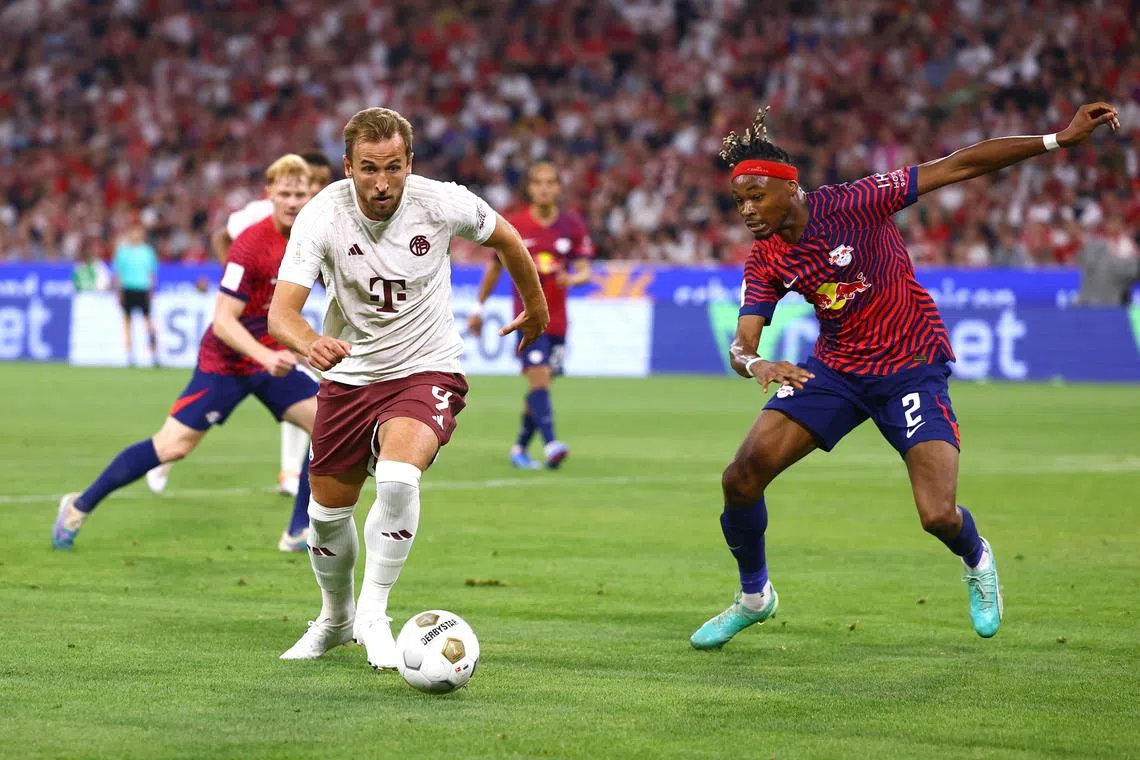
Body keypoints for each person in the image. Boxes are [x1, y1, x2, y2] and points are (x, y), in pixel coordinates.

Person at [690, 102, 1121, 650]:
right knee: (740, 478)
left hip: (910, 366)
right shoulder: (766, 258)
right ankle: (755, 597)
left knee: (937, 515)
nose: (747, 210)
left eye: (756, 196)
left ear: (791, 189)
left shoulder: (856, 201)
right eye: (738, 201)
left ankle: (977, 557)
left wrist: (1057, 140)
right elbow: (741, 344)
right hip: (836, 371)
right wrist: (757, 363)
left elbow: (957, 166)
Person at [269, 107, 548, 667]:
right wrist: (307, 343)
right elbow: (283, 313)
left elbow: (510, 239)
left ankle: (374, 611)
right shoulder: (322, 215)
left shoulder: (441, 201)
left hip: (426, 366)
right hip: (349, 375)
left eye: (393, 168)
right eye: (369, 168)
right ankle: (334, 619)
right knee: (326, 516)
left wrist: (535, 306)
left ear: (409, 163)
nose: (381, 183)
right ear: (348, 166)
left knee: (398, 477)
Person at [53, 155, 321, 553]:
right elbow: (224, 321)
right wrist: (266, 357)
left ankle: (298, 529)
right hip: (227, 362)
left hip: (270, 358)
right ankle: (77, 506)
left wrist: (300, 345)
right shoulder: (251, 243)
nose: (294, 201)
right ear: (270, 194)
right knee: (172, 446)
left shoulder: (309, 240)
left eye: (301, 193)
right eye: (286, 193)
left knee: (327, 427)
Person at [146, 152, 335, 499]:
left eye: (321, 183)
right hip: (247, 322)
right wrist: (237, 279)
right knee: (190, 426)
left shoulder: (318, 217)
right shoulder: (260, 216)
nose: (318, 188)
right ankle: (164, 455)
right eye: (315, 181)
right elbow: (223, 237)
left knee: (316, 396)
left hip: (277, 317)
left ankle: (292, 478)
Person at [467, 162, 593, 469]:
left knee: (541, 386)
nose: (545, 188)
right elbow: (494, 269)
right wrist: (478, 308)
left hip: (559, 323)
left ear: (559, 188)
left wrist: (571, 279)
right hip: (528, 321)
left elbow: (585, 272)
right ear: (530, 188)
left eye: (551, 182)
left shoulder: (572, 226)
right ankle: (551, 444)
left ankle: (519, 450)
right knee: (540, 380)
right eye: (539, 183)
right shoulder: (515, 225)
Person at [112, 223, 159, 366]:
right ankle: (129, 355)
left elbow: (152, 273)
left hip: (143, 289)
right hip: (128, 289)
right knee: (127, 323)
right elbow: (118, 274)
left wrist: (151, 290)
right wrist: (118, 292)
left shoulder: (147, 252)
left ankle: (154, 354)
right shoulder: (122, 252)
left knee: (149, 323)